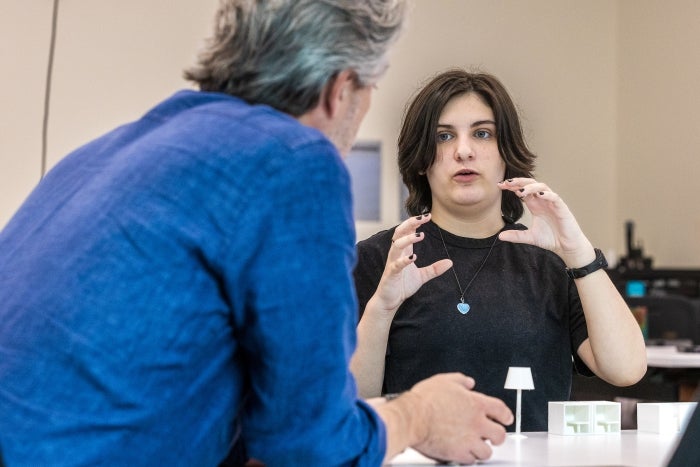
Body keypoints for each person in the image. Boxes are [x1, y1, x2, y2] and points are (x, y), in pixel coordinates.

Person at [0, 3, 515, 466]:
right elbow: (308, 446)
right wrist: (419, 415)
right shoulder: (294, 161)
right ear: (341, 90)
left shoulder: (100, 155)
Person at [351, 68, 648, 432]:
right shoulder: (381, 258)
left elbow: (626, 369)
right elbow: (350, 403)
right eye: (444, 136)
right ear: (421, 159)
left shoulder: (552, 262)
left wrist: (577, 251)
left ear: (506, 151)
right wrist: (381, 308)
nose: (463, 150)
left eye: (482, 133)